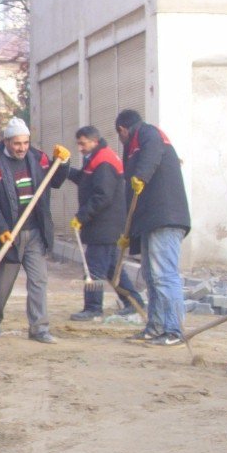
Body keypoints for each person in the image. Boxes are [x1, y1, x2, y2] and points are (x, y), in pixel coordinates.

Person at [0, 117, 70, 343]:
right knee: (2, 285)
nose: (22, 148)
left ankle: (39, 328)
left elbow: (54, 181)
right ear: (7, 141)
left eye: (25, 143)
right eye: (17, 143)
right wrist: (0, 229)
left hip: (35, 232)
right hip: (9, 235)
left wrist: (63, 163)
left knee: (39, 281)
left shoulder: (38, 159)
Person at [115, 110, 191, 346]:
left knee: (164, 274)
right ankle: (156, 326)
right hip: (150, 221)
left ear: (122, 130)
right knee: (150, 275)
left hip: (165, 218)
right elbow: (132, 192)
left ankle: (174, 330)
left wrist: (142, 175)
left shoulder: (148, 133)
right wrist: (128, 233)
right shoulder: (137, 143)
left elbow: (153, 153)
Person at [66, 126, 145, 320]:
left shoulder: (103, 161)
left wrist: (82, 216)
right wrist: (63, 169)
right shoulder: (98, 158)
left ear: (94, 141)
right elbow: (85, 180)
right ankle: (133, 302)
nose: (80, 148)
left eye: (82, 143)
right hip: (106, 224)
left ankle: (93, 308)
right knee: (111, 267)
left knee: (94, 268)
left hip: (104, 225)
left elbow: (102, 195)